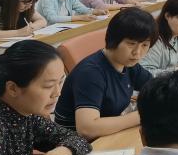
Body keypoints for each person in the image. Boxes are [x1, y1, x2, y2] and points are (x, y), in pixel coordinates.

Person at [54, 8, 156, 140]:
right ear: (114, 39)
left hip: (106, 136)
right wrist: (141, 116)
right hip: (74, 143)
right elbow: (87, 129)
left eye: (145, 45)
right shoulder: (91, 73)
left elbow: (157, 89)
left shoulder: (129, 64)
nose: (137, 52)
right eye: (131, 44)